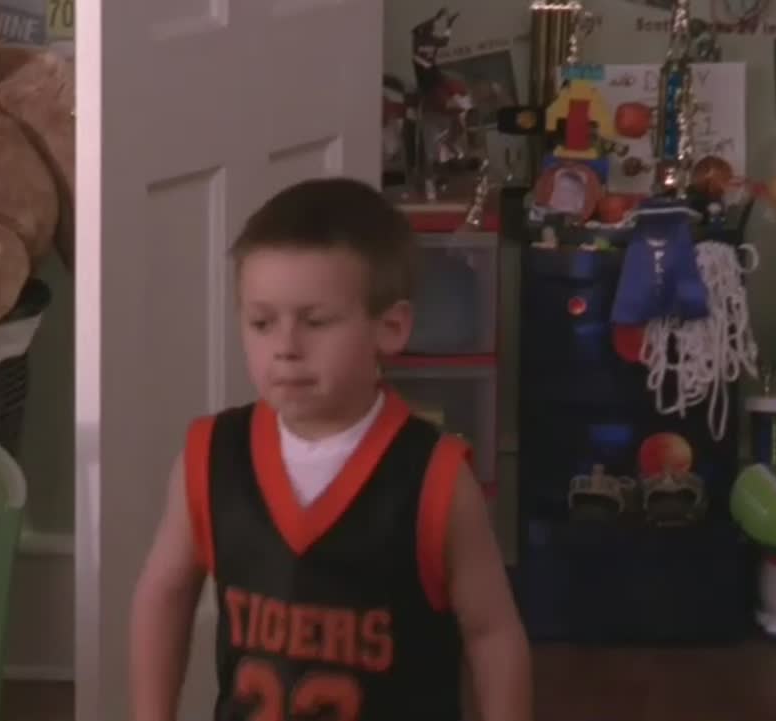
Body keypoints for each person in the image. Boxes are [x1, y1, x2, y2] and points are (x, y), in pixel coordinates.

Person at [129, 177, 532, 721]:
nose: (286, 347)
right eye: (262, 322)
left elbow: (492, 633)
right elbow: (163, 595)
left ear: (390, 328)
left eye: (315, 321)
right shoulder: (210, 457)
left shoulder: (434, 478)